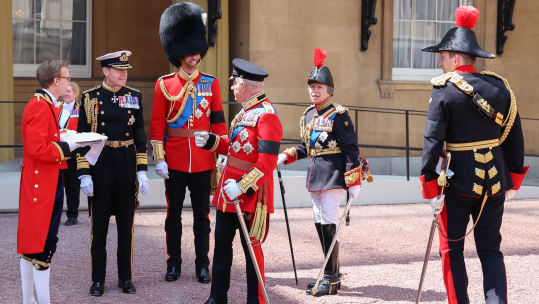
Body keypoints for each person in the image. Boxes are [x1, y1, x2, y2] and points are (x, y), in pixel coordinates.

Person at [419, 6, 527, 304]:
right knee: (491, 250)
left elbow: (432, 140)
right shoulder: (500, 87)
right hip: (494, 181)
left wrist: (430, 185)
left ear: (455, 58)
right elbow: (515, 138)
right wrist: (513, 180)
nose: (440, 63)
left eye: (442, 57)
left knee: (452, 250)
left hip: (455, 182)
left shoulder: (444, 89)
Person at [194, 58, 282, 304]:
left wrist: (242, 187)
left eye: (234, 83)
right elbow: (234, 148)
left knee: (251, 249)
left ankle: (256, 300)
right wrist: (211, 141)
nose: (232, 87)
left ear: (245, 85)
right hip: (227, 193)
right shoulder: (245, 112)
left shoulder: (267, 116)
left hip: (250, 195)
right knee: (221, 246)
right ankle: (218, 296)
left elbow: (266, 163)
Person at [150, 1, 227, 284]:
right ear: (179, 52)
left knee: (202, 218)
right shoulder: (164, 85)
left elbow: (218, 121)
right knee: (173, 217)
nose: (195, 56)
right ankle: (174, 264)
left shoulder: (212, 82)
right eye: (190, 52)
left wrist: (220, 150)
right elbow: (157, 126)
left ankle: (202, 264)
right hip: (175, 159)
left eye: (197, 51)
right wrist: (159, 158)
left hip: (203, 158)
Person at [276, 49, 362, 297]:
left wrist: (353, 180)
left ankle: (331, 277)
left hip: (334, 176)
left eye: (320, 87)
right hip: (315, 176)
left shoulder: (339, 114)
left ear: (330, 90)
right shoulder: (308, 115)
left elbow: (350, 149)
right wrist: (286, 155)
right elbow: (306, 147)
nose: (315, 91)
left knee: (328, 224)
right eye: (312, 86)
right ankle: (330, 276)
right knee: (321, 224)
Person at [76, 51, 149, 296]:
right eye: (119, 70)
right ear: (106, 71)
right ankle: (98, 280)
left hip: (126, 162)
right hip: (101, 162)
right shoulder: (89, 98)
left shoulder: (135, 96)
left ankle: (125, 278)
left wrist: (142, 170)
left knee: (125, 227)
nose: (124, 73)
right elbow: (81, 141)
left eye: (126, 69)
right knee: (99, 229)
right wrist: (84, 174)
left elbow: (140, 136)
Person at [18, 60, 79, 304]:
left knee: (32, 246)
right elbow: (37, 148)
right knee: (42, 246)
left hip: (43, 181)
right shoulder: (41, 107)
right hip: (42, 185)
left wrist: (63, 139)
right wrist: (67, 147)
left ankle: (28, 300)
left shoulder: (43, 104)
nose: (68, 81)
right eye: (66, 78)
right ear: (56, 81)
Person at [60, 82, 82, 226]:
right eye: (64, 91)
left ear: (76, 94)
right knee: (56, 183)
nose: (65, 94)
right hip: (57, 150)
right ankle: (54, 212)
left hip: (74, 151)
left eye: (69, 91)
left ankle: (72, 214)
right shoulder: (55, 108)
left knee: (73, 184)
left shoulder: (81, 110)